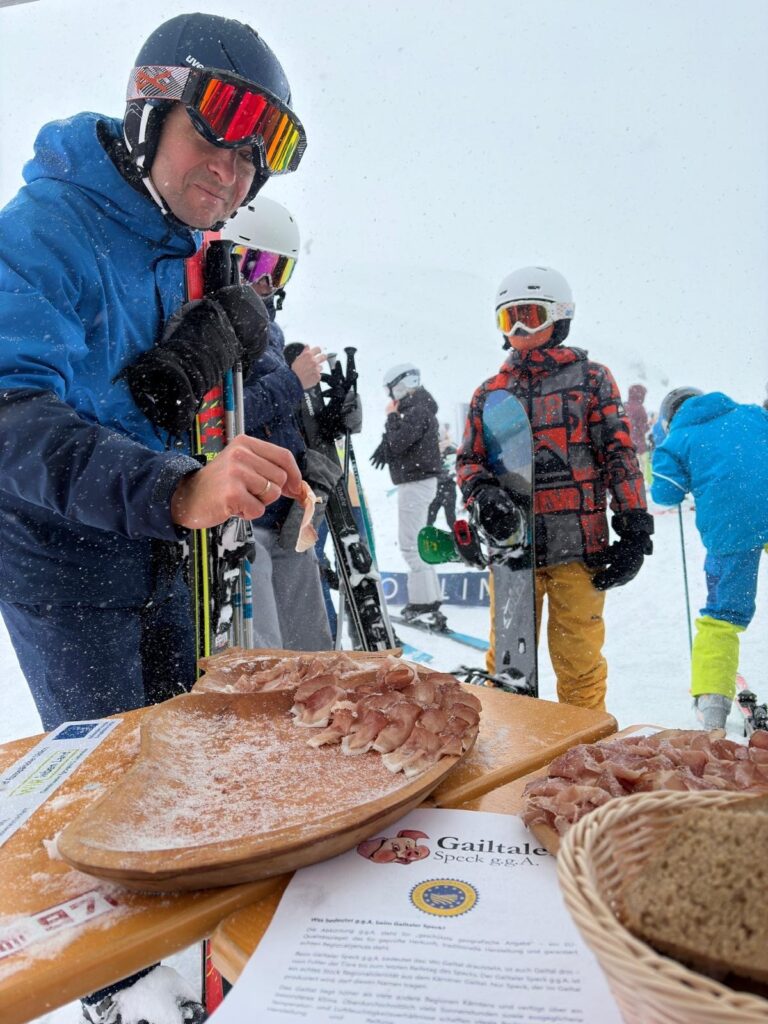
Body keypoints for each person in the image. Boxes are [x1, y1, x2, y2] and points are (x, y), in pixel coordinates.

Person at [0, 13, 306, 1022]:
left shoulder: (193, 246)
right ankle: (125, 995)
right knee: (110, 809)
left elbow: (248, 372)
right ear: (147, 113)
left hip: (168, 556)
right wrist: (176, 486)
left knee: (185, 776)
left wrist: (291, 447)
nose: (231, 171)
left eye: (253, 159)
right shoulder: (48, 229)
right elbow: (12, 415)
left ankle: (195, 975)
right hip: (65, 566)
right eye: (212, 137)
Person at [457, 266, 653, 710]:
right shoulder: (490, 393)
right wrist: (482, 494)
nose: (521, 330)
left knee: (579, 665)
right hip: (512, 553)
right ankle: (509, 756)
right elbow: (469, 461)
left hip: (578, 551)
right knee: (507, 669)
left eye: (530, 315)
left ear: (559, 318)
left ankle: (582, 760)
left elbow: (618, 454)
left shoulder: (591, 379)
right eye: (510, 320)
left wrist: (635, 525)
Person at [223, 197, 345, 650]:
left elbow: (279, 417)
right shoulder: (216, 328)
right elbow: (226, 421)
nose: (267, 283)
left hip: (288, 510)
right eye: (255, 264)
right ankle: (269, 718)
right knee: (266, 649)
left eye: (279, 270)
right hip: (248, 512)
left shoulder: (272, 335)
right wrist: (293, 384)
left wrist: (321, 415)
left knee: (310, 642)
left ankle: (319, 717)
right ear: (226, 257)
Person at [651, 387, 768, 730]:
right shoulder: (751, 413)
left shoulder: (677, 440)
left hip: (732, 528)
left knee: (723, 615)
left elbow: (664, 493)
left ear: (669, 419)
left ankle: (713, 704)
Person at [370, 364, 448, 630]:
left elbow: (399, 442)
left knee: (410, 545)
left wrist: (391, 419)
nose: (390, 397)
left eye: (391, 390)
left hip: (416, 483)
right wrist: (389, 436)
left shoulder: (415, 410)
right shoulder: (420, 408)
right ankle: (431, 599)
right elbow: (399, 443)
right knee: (417, 542)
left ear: (401, 386)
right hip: (420, 482)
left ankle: (424, 605)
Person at [626, 383, 651, 484]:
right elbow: (642, 428)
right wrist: (647, 426)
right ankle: (643, 486)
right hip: (639, 444)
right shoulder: (640, 408)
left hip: (626, 444)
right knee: (643, 466)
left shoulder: (624, 405)